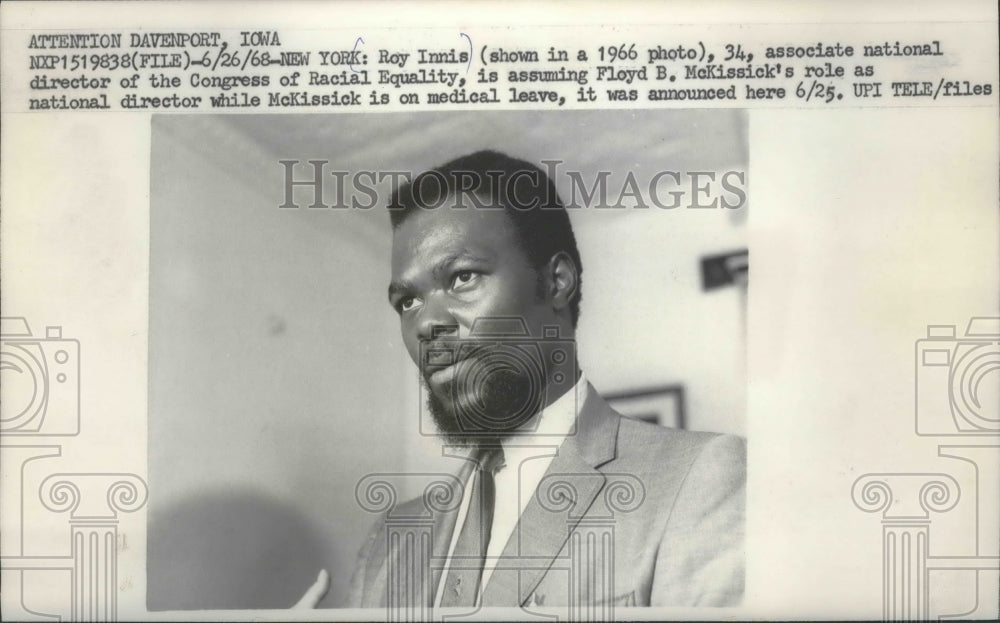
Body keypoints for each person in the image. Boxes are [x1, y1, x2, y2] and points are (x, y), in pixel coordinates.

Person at [302, 150, 745, 612]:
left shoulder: (700, 479)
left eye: (462, 276)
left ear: (556, 282)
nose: (426, 323)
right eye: (407, 302)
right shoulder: (387, 546)